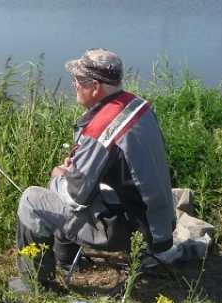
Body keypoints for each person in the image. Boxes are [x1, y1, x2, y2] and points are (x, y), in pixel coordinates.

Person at [16, 48, 176, 285]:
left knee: (32, 199)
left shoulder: (102, 128)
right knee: (73, 184)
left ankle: (37, 285)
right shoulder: (138, 106)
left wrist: (59, 175)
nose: (74, 85)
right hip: (159, 221)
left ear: (95, 87)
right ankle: (67, 257)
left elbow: (74, 196)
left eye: (78, 80)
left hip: (131, 232)